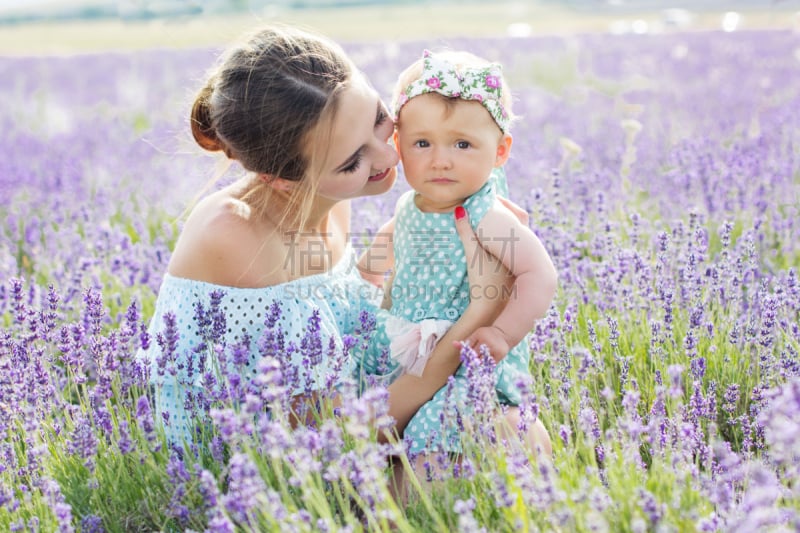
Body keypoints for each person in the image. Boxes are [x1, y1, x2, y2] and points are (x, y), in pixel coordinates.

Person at [136, 25, 531, 459]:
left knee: (516, 432)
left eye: (380, 119)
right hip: (276, 469)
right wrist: (481, 311)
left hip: (367, 410)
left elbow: (348, 313)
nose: (389, 157)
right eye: (351, 161)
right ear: (280, 180)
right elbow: (333, 440)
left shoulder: (327, 198)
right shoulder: (233, 236)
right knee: (508, 446)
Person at [356, 49, 557, 458]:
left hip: (466, 360)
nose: (440, 160)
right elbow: (382, 251)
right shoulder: (410, 205)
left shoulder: (485, 214)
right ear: (398, 145)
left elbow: (540, 274)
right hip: (406, 348)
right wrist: (364, 285)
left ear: (500, 151)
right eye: (422, 143)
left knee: (444, 431)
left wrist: (502, 333)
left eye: (463, 144)